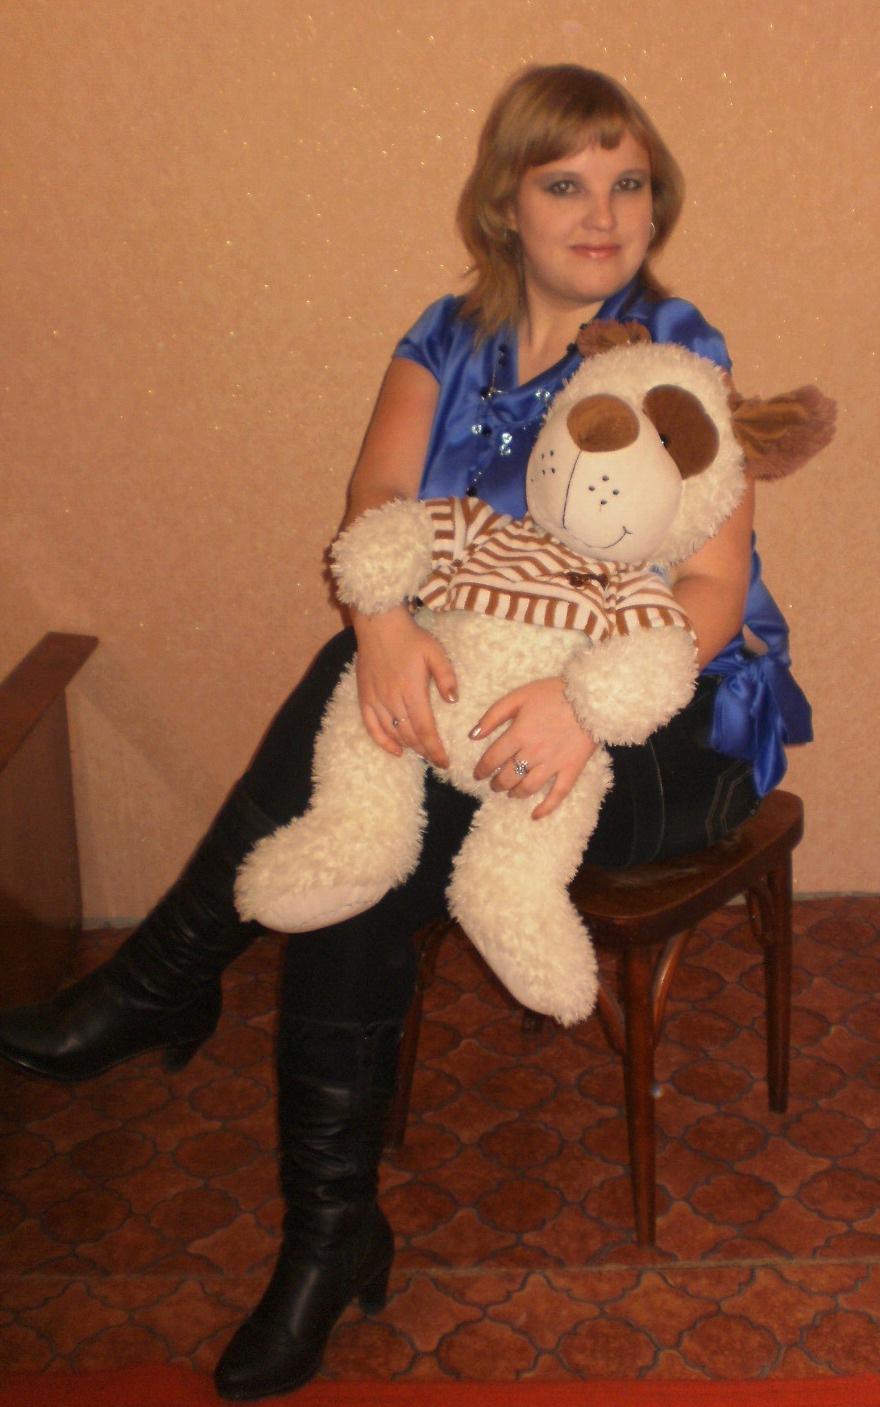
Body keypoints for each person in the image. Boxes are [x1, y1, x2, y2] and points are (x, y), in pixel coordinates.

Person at [0, 65, 809, 1402]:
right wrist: (383, 628)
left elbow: (714, 591)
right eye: (566, 183)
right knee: (365, 752)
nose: (603, 214)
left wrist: (579, 702)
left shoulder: (675, 345)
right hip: (475, 699)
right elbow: (378, 498)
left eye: (629, 184)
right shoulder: (445, 337)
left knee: (379, 822)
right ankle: (324, 1227)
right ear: (506, 203)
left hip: (662, 723)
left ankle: (176, 997)